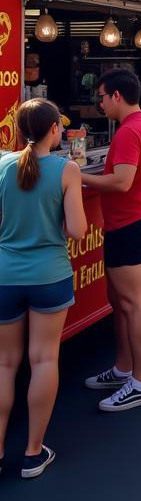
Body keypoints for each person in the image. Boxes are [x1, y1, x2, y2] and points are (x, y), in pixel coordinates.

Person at [0, 99, 86, 479]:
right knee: (44, 360)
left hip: (5, 275)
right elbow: (78, 229)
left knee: (4, 365)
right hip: (49, 275)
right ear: (55, 129)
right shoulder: (67, 170)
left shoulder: (1, 165)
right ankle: (33, 453)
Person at [82, 70, 141, 412]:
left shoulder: (130, 130)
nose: (99, 103)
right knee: (121, 300)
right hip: (129, 222)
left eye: (101, 96)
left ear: (116, 96)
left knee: (132, 303)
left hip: (130, 223)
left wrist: (76, 177)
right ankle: (124, 368)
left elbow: (122, 181)